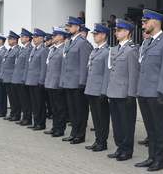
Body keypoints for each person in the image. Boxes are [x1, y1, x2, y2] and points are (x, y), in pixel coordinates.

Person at [135, 9, 163, 171]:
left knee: (159, 128)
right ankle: (151, 157)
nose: (143, 25)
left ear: (155, 22)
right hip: (143, 91)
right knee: (150, 128)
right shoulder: (147, 42)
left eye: (146, 22)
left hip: (156, 93)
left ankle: (160, 160)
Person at [106, 19, 140, 161]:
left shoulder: (132, 50)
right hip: (113, 91)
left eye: (119, 30)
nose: (116, 33)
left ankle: (127, 150)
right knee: (117, 123)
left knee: (126, 124)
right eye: (115, 30)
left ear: (127, 32)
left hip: (125, 93)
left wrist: (131, 94)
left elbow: (134, 73)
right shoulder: (114, 49)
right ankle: (119, 147)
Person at [60, 16, 93, 144]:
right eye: (68, 26)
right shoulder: (68, 42)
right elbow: (65, 64)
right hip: (69, 81)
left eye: (71, 26)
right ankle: (74, 132)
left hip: (78, 82)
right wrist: (63, 80)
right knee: (72, 110)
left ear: (78, 28)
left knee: (80, 110)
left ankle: (80, 135)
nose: (68, 28)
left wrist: (82, 82)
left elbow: (85, 64)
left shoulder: (83, 43)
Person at [84, 24, 110, 152]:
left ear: (103, 35)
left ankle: (103, 142)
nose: (93, 36)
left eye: (96, 34)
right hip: (91, 89)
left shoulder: (107, 51)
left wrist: (104, 91)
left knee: (102, 117)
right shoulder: (95, 50)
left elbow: (107, 73)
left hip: (100, 90)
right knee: (95, 117)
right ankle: (97, 140)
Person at [44, 26, 68, 137]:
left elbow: (64, 68)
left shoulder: (64, 49)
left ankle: (60, 128)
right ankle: (55, 126)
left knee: (60, 107)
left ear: (61, 37)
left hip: (58, 82)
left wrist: (61, 82)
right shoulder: (52, 49)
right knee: (53, 107)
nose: (52, 37)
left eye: (55, 35)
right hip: (50, 82)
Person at [25, 28, 49, 131]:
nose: (33, 39)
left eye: (35, 37)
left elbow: (44, 67)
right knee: (34, 103)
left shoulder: (44, 50)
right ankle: (36, 122)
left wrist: (41, 81)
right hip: (31, 80)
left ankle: (41, 123)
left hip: (38, 81)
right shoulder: (34, 49)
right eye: (33, 37)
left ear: (41, 38)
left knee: (40, 104)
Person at [12, 28, 33, 126]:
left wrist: (24, 78)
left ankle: (27, 118)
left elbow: (27, 66)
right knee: (21, 99)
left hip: (22, 78)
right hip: (18, 77)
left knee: (25, 100)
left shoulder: (29, 49)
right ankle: (24, 117)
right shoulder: (23, 48)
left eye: (23, 37)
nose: (21, 38)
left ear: (28, 38)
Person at [1, 31, 21, 121]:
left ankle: (17, 114)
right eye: (8, 39)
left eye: (10, 39)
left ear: (15, 40)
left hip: (13, 77)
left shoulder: (17, 50)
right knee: (11, 97)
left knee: (15, 97)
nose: (8, 40)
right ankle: (13, 113)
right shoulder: (10, 50)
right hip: (7, 77)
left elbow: (16, 65)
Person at [137, 30, 151, 147]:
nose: (144, 34)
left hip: (152, 87)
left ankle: (152, 137)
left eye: (146, 32)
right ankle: (149, 136)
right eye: (143, 32)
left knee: (155, 119)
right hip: (142, 85)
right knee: (146, 117)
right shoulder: (143, 45)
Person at [44, 33, 54, 119]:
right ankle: (50, 111)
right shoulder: (49, 50)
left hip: (54, 79)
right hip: (48, 78)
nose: (46, 42)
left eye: (47, 40)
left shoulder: (51, 50)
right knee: (48, 99)